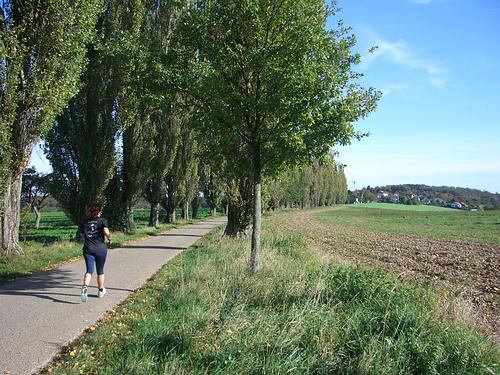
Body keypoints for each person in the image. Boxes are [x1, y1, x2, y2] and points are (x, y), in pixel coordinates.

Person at [79, 202, 111, 302]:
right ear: (98, 212)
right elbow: (106, 232)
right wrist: (109, 238)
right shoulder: (103, 221)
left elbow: (81, 234)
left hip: (88, 249)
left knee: (89, 270)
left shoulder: (84, 221)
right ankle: (101, 291)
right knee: (100, 270)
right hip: (100, 249)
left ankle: (85, 287)